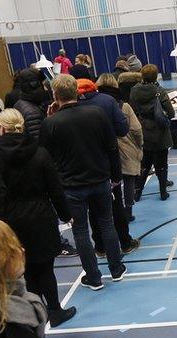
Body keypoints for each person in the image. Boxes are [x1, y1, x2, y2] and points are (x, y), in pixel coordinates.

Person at [41, 74, 126, 291]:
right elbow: (112, 148)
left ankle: (94, 277)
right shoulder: (97, 113)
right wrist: (116, 176)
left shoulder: (51, 123)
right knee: (107, 223)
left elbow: (45, 156)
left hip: (71, 186)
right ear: (77, 92)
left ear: (55, 95)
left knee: (80, 231)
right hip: (100, 179)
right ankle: (116, 269)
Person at [0, 109, 76, 327]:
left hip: (10, 219)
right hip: (41, 215)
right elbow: (55, 189)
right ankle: (55, 311)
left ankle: (35, 313)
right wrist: (66, 214)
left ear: (1, 128)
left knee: (24, 269)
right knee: (46, 268)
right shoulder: (40, 153)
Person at [74, 77, 137, 255]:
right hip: (105, 161)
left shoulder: (65, 107)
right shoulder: (107, 101)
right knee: (114, 204)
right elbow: (123, 130)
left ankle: (100, 247)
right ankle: (125, 242)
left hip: (78, 165)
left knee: (91, 209)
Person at [98, 73, 144, 228]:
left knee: (110, 182)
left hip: (102, 149)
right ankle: (128, 210)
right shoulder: (123, 105)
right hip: (125, 146)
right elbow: (136, 129)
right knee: (129, 179)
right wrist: (140, 145)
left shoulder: (91, 105)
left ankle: (111, 210)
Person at [130, 64, 175, 201]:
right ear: (156, 76)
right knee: (162, 163)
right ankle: (163, 192)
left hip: (144, 129)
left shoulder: (134, 90)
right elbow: (171, 113)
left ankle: (137, 193)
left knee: (145, 164)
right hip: (160, 131)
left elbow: (132, 108)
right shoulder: (159, 91)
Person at [13, 68, 51, 141]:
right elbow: (39, 141)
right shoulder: (32, 113)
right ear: (34, 85)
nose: (45, 89)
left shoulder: (19, 103)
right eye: (42, 85)